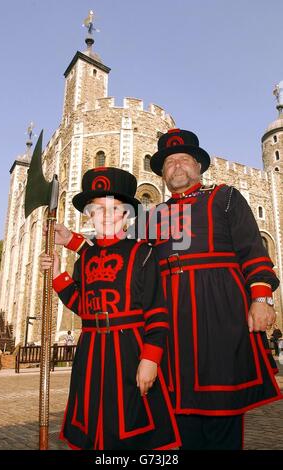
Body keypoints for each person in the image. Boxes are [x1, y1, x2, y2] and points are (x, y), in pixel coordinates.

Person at [52, 130, 282, 450]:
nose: (176, 166)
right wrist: (74, 241)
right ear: (162, 173)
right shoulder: (152, 216)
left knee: (221, 407)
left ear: (198, 166)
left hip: (218, 315)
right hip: (169, 322)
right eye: (169, 162)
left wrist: (261, 297)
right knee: (176, 409)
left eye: (183, 160)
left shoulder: (225, 197)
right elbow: (120, 253)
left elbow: (253, 250)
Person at [40, 167, 180, 450]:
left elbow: (157, 311)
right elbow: (81, 304)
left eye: (114, 208)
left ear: (126, 215)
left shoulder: (143, 252)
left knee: (133, 429)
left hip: (131, 349)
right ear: (89, 215)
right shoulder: (85, 258)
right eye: (97, 209)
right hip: (90, 352)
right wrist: (57, 274)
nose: (105, 215)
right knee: (92, 425)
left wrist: (151, 359)